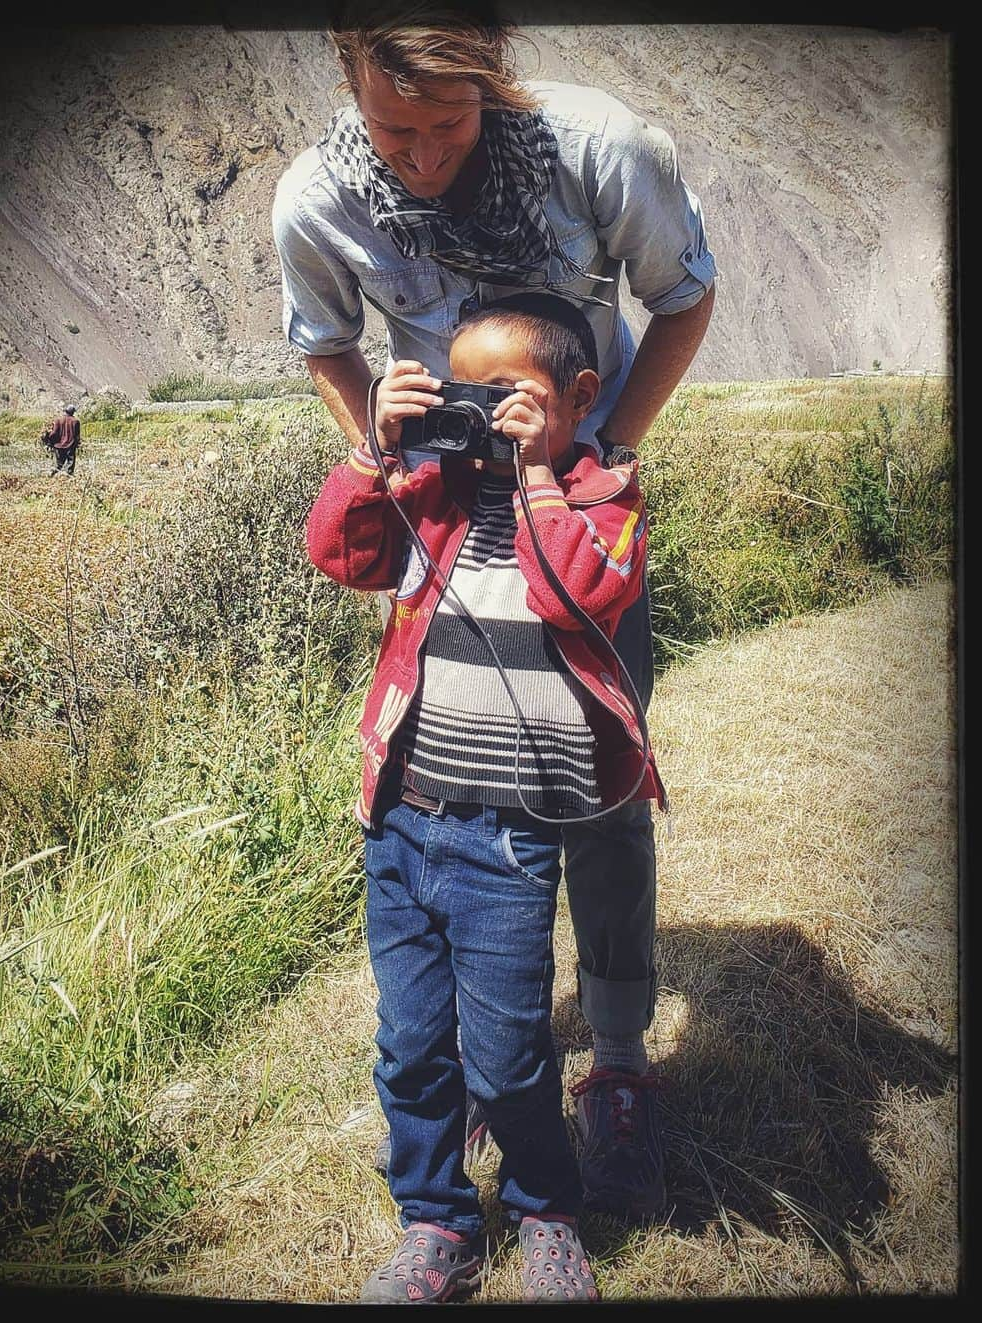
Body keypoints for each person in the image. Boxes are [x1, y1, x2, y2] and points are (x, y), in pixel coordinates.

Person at [272, 0, 717, 1218]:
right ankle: (487, 1059)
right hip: (445, 521)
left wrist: (603, 452)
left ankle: (615, 1059)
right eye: (392, 131)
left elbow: (683, 296)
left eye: (448, 123)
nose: (421, 156)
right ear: (353, 96)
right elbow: (324, 339)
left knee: (601, 783)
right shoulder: (320, 195)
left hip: (574, 516)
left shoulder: (599, 148)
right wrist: (387, 450)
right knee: (457, 765)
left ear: (495, 80)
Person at [306, 293, 663, 1302]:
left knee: (507, 1058)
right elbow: (345, 556)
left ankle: (547, 1209)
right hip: (405, 818)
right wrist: (379, 453)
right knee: (414, 1048)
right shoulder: (435, 491)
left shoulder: (603, 496)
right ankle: (436, 1225)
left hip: (507, 840)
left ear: (580, 398)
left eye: (510, 396)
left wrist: (538, 473)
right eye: (468, 392)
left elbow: (574, 592)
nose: (483, 414)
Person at [42, 404, 81, 475]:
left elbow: (54, 433)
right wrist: (77, 445)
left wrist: (49, 441)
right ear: (73, 412)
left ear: (66, 411)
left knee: (59, 464)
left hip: (59, 446)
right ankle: (67, 477)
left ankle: (51, 474)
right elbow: (77, 436)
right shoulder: (76, 421)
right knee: (70, 464)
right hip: (70, 445)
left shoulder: (58, 420)